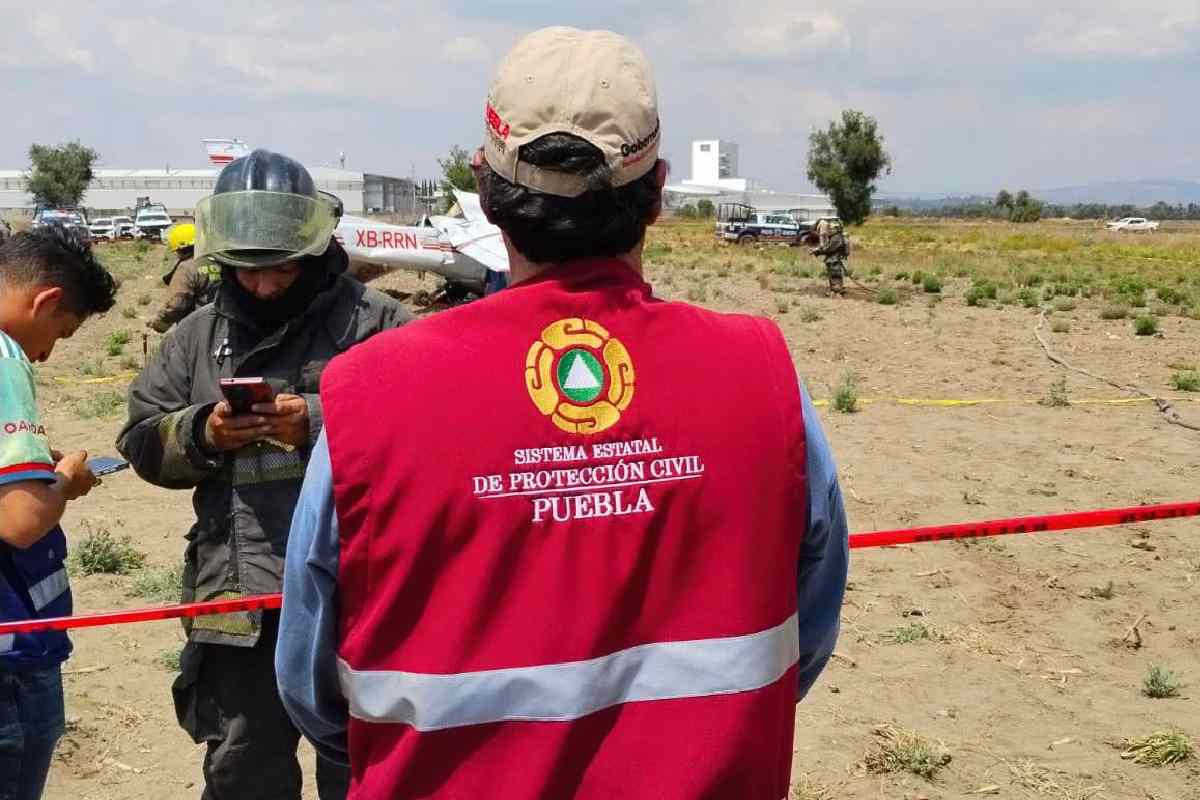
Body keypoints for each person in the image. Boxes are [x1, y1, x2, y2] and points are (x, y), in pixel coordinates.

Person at [277, 27, 848, 800]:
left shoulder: (365, 399)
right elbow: (802, 639)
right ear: (657, 192)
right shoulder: (764, 378)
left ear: (486, 189)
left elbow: (313, 691)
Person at [116, 149, 410, 800]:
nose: (266, 286)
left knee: (366, 771)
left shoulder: (379, 324)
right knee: (242, 772)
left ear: (314, 249)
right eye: (247, 272)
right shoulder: (195, 338)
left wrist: (317, 420)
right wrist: (202, 433)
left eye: (281, 268)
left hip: (360, 600)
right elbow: (139, 436)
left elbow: (434, 429)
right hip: (238, 602)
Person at [0, 226, 116, 799]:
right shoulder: (4, 356)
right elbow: (19, 521)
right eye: (60, 333)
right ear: (45, 301)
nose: (46, 354)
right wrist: (64, 481)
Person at [148, 223, 221, 333]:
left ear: (181, 249)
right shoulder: (220, 262)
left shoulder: (187, 267)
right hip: (223, 326)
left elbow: (177, 303)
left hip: (197, 331)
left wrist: (159, 324)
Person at [810, 218, 849, 296]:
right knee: (834, 275)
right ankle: (836, 290)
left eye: (830, 229)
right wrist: (818, 250)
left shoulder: (836, 238)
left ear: (834, 229)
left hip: (834, 260)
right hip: (833, 259)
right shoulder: (834, 237)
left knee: (835, 275)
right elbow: (827, 247)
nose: (828, 231)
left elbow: (829, 249)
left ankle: (836, 292)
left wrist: (817, 252)